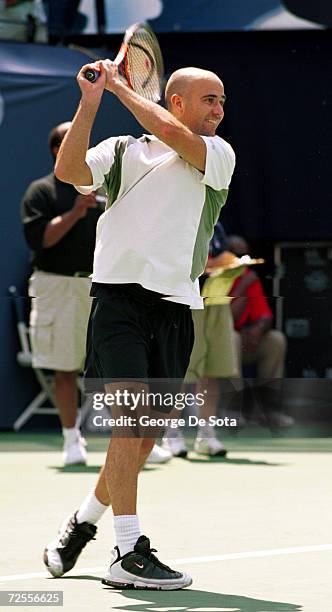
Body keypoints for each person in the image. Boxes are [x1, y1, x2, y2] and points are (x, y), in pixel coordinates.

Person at [43, 60, 235, 590]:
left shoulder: (217, 154)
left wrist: (121, 88)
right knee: (130, 425)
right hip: (118, 301)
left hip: (176, 307)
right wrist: (90, 102)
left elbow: (172, 135)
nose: (220, 110)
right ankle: (127, 550)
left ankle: (83, 521)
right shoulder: (123, 150)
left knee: (142, 439)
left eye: (222, 101)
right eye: (209, 100)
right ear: (176, 100)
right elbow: (69, 170)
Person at [21, 122, 102, 466]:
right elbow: (42, 240)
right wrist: (76, 212)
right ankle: (72, 440)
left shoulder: (101, 188)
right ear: (58, 151)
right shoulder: (41, 191)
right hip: (56, 286)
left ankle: (129, 440)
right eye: (74, 143)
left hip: (99, 285)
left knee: (111, 366)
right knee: (64, 368)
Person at [162, 222, 240, 457]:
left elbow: (221, 256)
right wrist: (209, 266)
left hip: (217, 303)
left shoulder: (217, 224)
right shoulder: (176, 217)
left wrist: (230, 266)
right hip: (187, 304)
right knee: (183, 374)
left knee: (212, 372)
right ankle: (171, 434)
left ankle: (206, 435)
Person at [228, 235, 292, 427]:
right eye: (236, 254)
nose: (241, 259)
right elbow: (225, 320)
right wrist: (242, 287)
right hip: (218, 344)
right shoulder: (214, 277)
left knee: (275, 340)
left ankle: (268, 409)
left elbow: (265, 315)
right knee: (231, 338)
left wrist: (258, 329)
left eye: (244, 254)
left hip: (246, 341)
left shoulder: (248, 276)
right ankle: (233, 409)